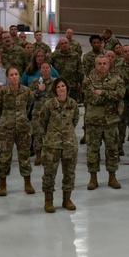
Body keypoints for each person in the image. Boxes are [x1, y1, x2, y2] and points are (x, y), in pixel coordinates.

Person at [82, 55, 124, 190]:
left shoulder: (117, 79)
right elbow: (91, 98)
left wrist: (103, 93)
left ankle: (112, 177)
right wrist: (109, 95)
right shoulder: (88, 81)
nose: (102, 66)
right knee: (92, 151)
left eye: (104, 63)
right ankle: (93, 178)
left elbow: (121, 95)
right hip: (94, 121)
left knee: (112, 150)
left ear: (109, 65)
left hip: (110, 122)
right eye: (99, 63)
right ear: (95, 65)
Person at [38, 78, 79, 212]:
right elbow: (42, 122)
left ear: (67, 88)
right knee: (49, 173)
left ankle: (67, 199)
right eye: (59, 87)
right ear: (55, 90)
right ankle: (48, 201)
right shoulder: (49, 105)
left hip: (69, 144)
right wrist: (49, 136)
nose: (61, 88)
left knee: (69, 173)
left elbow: (75, 120)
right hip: (52, 145)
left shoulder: (73, 104)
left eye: (63, 86)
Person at [0, 67, 35, 196]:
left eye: (16, 74)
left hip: (23, 128)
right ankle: (2, 184)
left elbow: (28, 107)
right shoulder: (2, 93)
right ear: (7, 77)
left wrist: (20, 117)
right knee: (5, 157)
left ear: (19, 76)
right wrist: (7, 119)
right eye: (11, 75)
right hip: (6, 129)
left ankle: (27, 183)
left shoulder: (27, 92)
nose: (14, 77)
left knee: (24, 156)